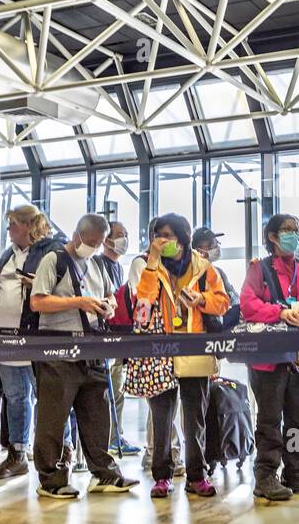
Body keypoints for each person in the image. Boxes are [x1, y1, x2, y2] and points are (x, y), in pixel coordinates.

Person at [30, 213, 138, 498]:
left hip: (91, 350)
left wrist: (108, 306)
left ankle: (104, 473)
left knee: (97, 415)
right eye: (90, 242)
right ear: (77, 236)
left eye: (99, 243)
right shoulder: (53, 260)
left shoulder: (96, 264)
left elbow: (110, 296)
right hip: (57, 351)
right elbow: (37, 301)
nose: (93, 247)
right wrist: (79, 302)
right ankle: (51, 479)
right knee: (53, 418)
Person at [128, 214, 228, 498]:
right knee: (161, 419)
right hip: (160, 352)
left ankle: (197, 475)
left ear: (183, 237)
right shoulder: (153, 267)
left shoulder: (205, 269)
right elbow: (142, 305)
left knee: (194, 419)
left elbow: (222, 303)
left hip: (195, 348)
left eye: (169, 236)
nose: (164, 241)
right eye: (158, 236)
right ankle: (162, 476)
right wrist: (152, 262)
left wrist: (201, 301)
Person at [240, 213, 299, 502]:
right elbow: (248, 304)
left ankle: (296, 471)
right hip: (268, 357)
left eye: (297, 229)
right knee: (269, 418)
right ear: (272, 236)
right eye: (287, 230)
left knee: (297, 417)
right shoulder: (259, 269)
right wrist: (279, 312)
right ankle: (266, 475)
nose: (295, 235)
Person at [0, 204, 64, 480]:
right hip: (5, 338)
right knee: (15, 397)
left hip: (35, 336)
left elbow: (62, 287)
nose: (8, 230)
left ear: (28, 226)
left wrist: (38, 285)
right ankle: (18, 453)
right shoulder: (7, 254)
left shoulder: (51, 251)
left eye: (13, 224)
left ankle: (60, 452)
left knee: (48, 398)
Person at [94, 220, 139, 455]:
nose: (124, 238)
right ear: (106, 239)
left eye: (126, 234)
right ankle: (109, 438)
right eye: (120, 234)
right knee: (109, 391)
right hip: (104, 338)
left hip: (119, 339)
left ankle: (115, 435)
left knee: (118, 391)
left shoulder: (119, 267)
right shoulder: (98, 264)